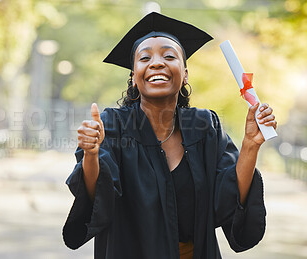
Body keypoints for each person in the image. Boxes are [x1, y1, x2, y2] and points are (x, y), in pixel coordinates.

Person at [63, 12, 277, 259]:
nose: (156, 63)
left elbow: (227, 201)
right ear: (133, 77)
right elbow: (97, 195)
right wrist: (92, 154)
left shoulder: (205, 126)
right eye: (144, 58)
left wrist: (251, 145)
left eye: (168, 56)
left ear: (184, 73)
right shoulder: (113, 125)